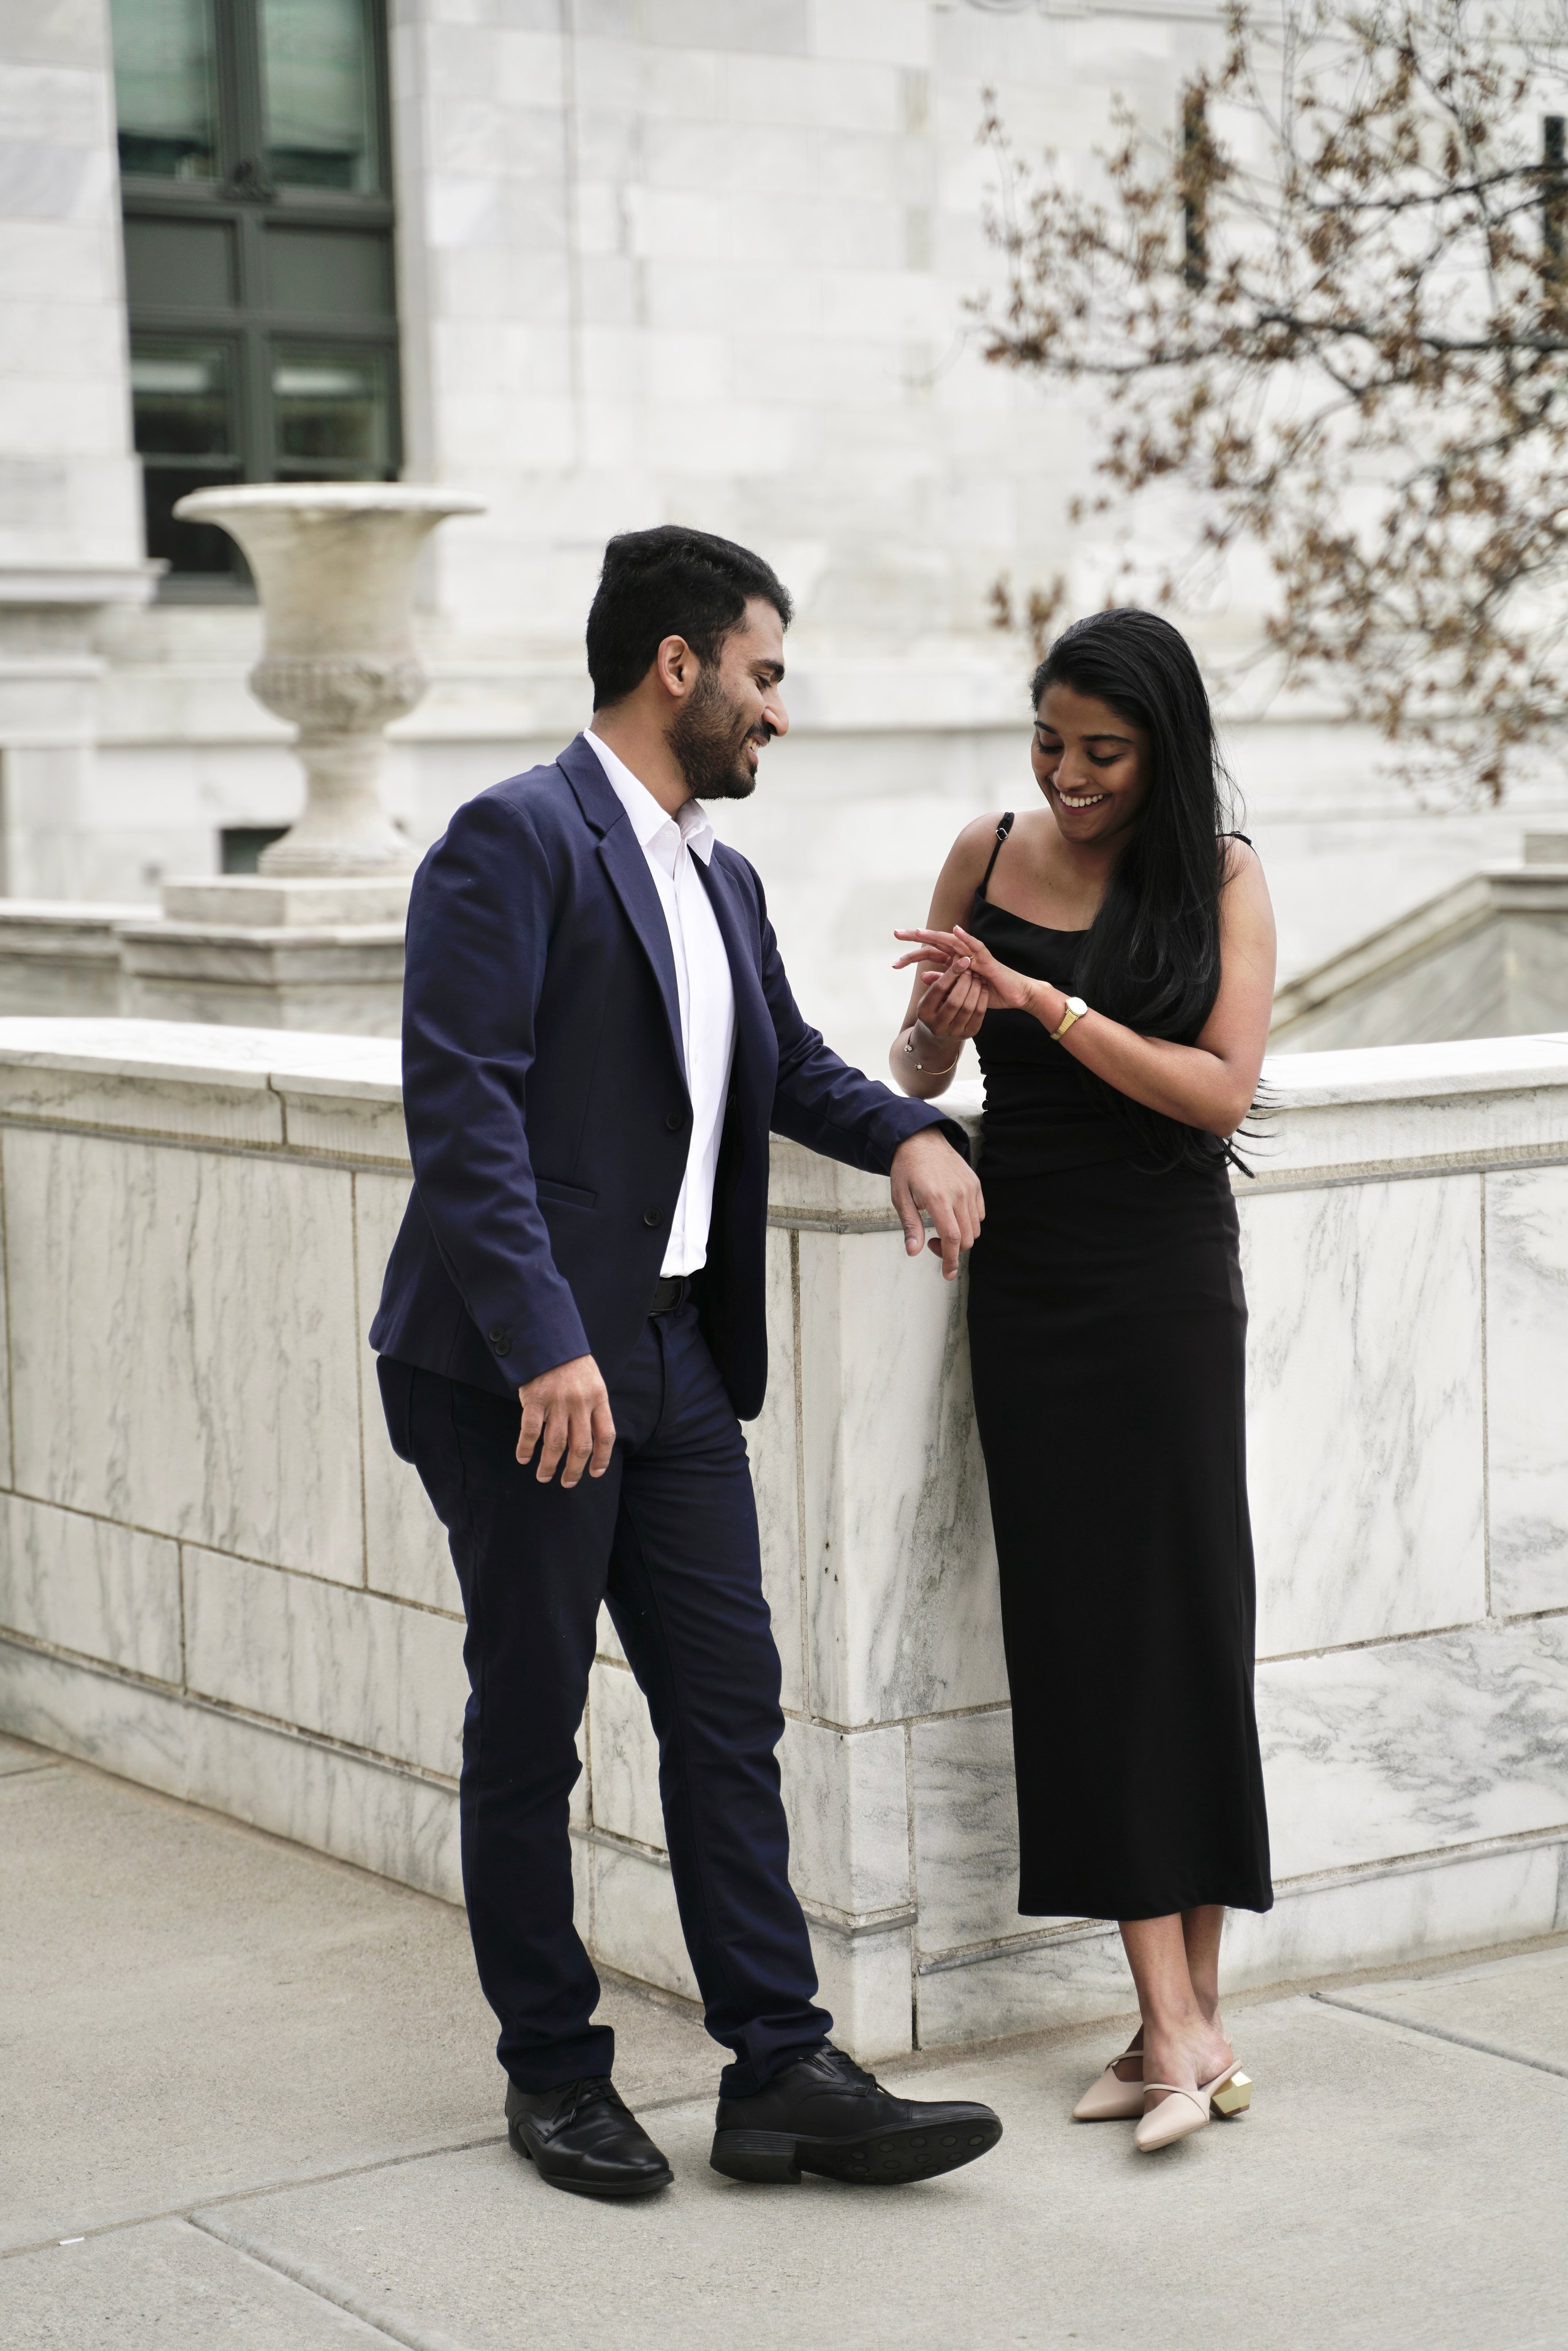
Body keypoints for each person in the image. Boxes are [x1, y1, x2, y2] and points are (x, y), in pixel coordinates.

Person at [371, 525, 1001, 2198]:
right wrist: (542, 1343)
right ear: (678, 666)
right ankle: (555, 2071)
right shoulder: (511, 838)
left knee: (729, 1711)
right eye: (765, 674)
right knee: (534, 1722)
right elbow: (464, 1110)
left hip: (669, 1357)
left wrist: (914, 1132)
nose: (775, 714)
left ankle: (779, 2067)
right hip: (521, 1372)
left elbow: (781, 1062)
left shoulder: (719, 874)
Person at [890, 607, 1275, 2154]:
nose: (1063, 776)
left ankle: (1173, 2022)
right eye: (1046, 743)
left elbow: (1217, 1086)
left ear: (1159, 749)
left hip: (1170, 1280)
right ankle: (1175, 2022)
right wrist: (938, 1028)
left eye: (1100, 753)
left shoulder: (1223, 875)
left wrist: (1042, 1001)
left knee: (1189, 1619)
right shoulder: (981, 851)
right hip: (1034, 1281)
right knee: (1081, 1632)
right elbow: (918, 1074)